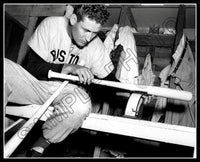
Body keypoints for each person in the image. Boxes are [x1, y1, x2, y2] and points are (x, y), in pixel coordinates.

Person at [4, 4, 114, 157]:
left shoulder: (96, 45)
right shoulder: (51, 24)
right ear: (74, 19)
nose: (89, 38)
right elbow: (33, 68)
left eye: (95, 33)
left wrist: (134, 91)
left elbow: (110, 82)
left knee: (81, 105)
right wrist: (69, 67)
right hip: (36, 85)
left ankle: (39, 147)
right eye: (86, 30)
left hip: (65, 93)